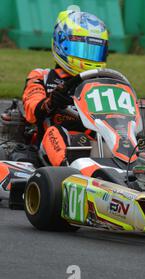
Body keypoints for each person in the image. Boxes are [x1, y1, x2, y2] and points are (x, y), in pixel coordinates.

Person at [20, 8, 109, 166]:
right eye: (82, 50)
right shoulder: (42, 76)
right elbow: (32, 112)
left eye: (94, 51)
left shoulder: (104, 83)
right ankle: (68, 170)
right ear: (62, 43)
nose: (87, 57)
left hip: (97, 146)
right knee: (56, 132)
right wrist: (51, 102)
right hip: (53, 145)